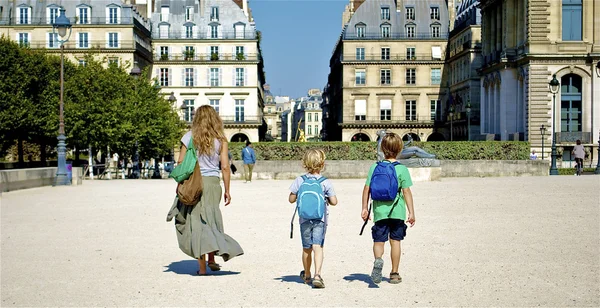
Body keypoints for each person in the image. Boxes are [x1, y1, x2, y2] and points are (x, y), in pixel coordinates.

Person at [173, 105, 244, 275]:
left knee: (197, 223)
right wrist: (227, 190)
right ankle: (212, 257)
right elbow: (225, 167)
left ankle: (203, 268)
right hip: (213, 183)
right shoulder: (221, 139)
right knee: (211, 218)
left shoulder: (189, 137)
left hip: (194, 182)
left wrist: (181, 182)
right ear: (215, 119)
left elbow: (180, 162)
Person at [362, 132, 416, 284]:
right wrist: (411, 212)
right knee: (395, 241)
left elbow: (366, 189)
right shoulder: (402, 169)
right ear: (399, 149)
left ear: (382, 148)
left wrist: (364, 208)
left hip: (380, 212)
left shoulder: (375, 167)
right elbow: (407, 192)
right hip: (397, 212)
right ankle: (394, 273)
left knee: (379, 241)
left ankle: (378, 260)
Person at [288, 149, 338, 288]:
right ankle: (318, 274)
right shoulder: (325, 182)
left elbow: (291, 199)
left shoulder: (300, 180)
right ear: (322, 164)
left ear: (305, 164)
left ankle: (307, 274)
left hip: (304, 219)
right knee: (318, 246)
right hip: (320, 219)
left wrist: (298, 195)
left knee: (306, 248)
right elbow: (334, 202)